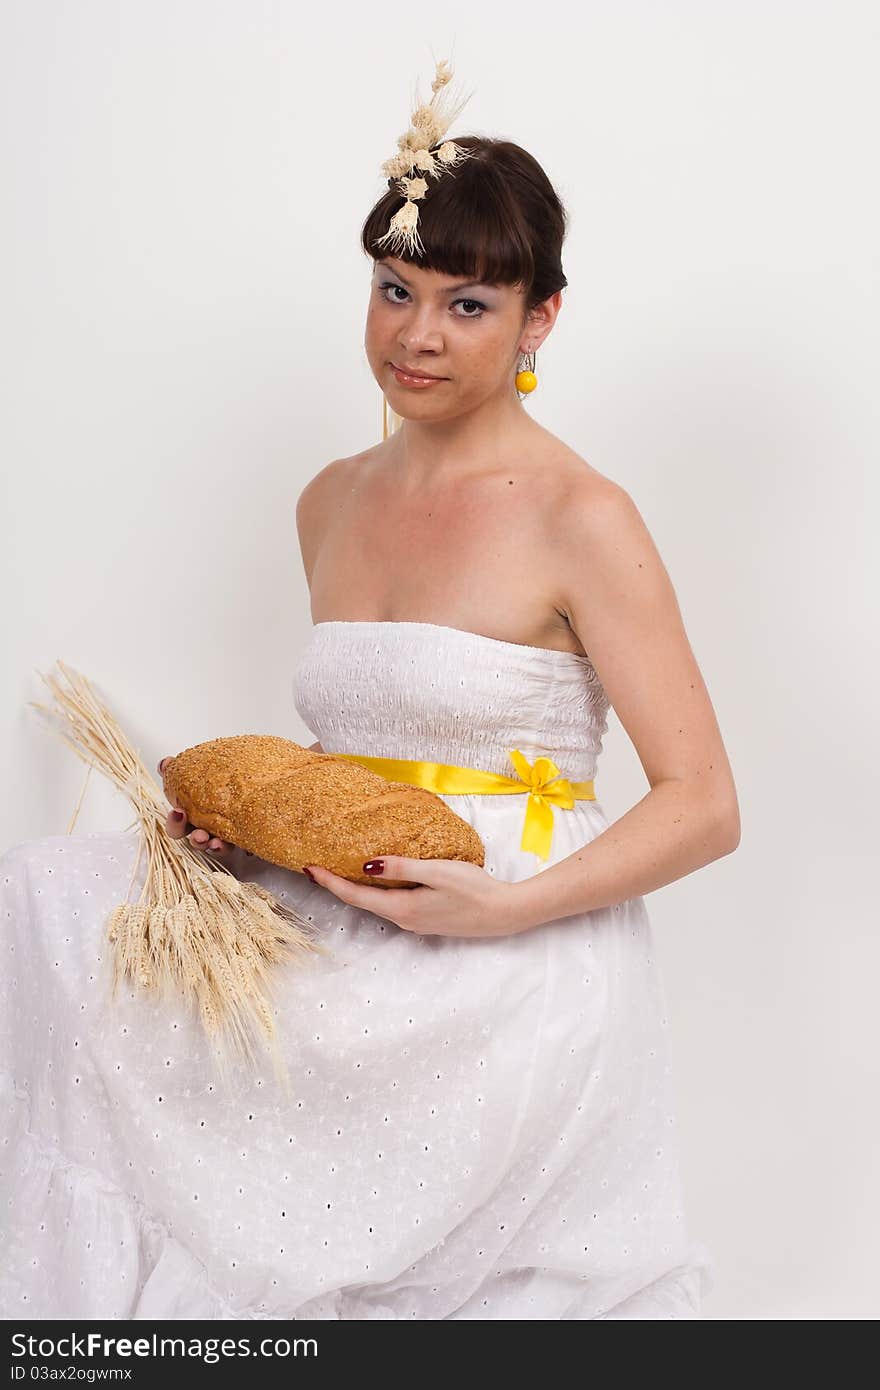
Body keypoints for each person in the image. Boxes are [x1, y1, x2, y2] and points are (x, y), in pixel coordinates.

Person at [0, 68, 738, 1320]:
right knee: (59, 900)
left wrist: (506, 913)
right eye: (395, 291)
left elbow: (706, 802)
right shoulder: (330, 499)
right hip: (351, 907)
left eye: (466, 303)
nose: (417, 335)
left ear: (539, 321)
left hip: (508, 938)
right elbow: (358, 751)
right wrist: (254, 822)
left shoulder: (583, 517)